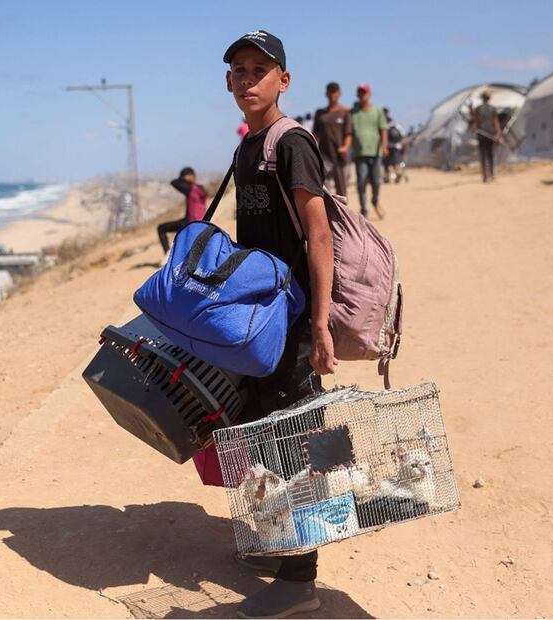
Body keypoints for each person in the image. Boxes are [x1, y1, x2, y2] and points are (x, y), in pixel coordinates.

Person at [222, 29, 336, 618]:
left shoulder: (290, 142)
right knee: (263, 431)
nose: (247, 79)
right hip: (262, 319)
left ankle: (301, 583)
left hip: (293, 320)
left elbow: (318, 233)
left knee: (297, 440)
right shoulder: (248, 147)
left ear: (283, 81)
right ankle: (280, 544)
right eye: (238, 70)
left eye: (259, 70)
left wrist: (320, 323)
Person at [351, 83, 387, 218]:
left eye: (364, 92)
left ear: (369, 94)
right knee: (361, 182)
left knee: (377, 181)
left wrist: (384, 146)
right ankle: (364, 208)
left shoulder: (377, 111)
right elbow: (349, 131)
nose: (362, 95)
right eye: (360, 93)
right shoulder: (353, 113)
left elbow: (383, 129)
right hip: (360, 153)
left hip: (375, 152)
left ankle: (375, 199)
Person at [312, 82, 352, 197]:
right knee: (325, 189)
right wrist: (313, 150)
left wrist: (345, 147)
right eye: (330, 92)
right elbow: (315, 134)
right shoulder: (320, 114)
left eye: (334, 92)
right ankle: (328, 214)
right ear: (326, 94)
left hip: (340, 157)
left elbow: (349, 134)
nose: (332, 94)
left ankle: (343, 214)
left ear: (339, 94)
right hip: (324, 156)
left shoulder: (345, 113)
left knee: (342, 190)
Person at [157, 167, 208, 253]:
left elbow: (174, 182)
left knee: (161, 228)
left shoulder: (191, 189)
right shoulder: (200, 189)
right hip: (202, 223)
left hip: (191, 222)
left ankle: (167, 254)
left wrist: (184, 179)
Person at [471, 91, 501, 182]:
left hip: (482, 134)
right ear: (488, 99)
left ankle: (485, 176)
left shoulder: (478, 109)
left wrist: (475, 128)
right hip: (490, 133)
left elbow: (476, 123)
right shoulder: (493, 109)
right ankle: (491, 174)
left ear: (482, 99)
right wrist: (498, 134)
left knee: (483, 155)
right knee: (490, 154)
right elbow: (496, 123)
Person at [382, 107, 407, 183]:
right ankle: (392, 176)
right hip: (394, 147)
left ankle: (395, 175)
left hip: (389, 147)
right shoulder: (394, 124)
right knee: (393, 163)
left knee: (391, 163)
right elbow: (403, 135)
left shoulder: (386, 124)